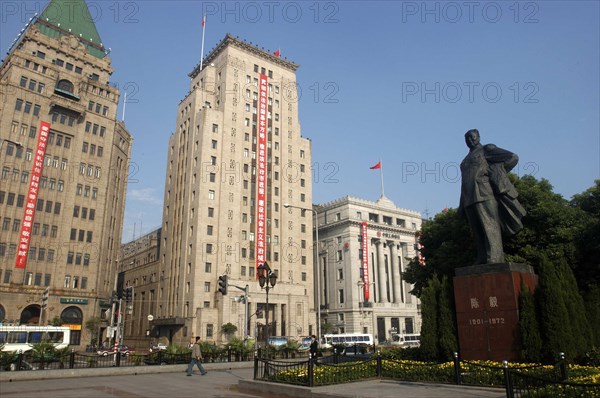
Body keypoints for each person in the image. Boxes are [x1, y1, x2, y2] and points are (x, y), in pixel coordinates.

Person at [459, 129, 526, 265]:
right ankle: (482, 257)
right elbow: (464, 183)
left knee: (490, 226)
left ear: (478, 137)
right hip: (469, 198)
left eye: (473, 137)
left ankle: (494, 258)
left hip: (484, 194)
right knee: (477, 232)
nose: (471, 140)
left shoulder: (486, 149)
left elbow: (512, 157)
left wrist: (497, 173)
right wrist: (461, 204)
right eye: (468, 139)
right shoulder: (464, 161)